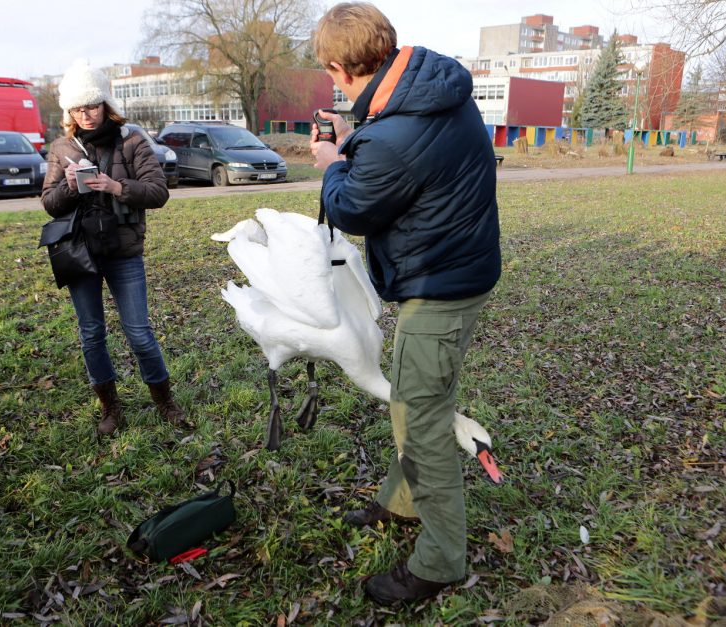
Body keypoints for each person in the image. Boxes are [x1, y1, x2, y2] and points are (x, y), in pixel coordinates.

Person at [309, 3, 502, 606]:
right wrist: (355, 146)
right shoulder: (432, 89)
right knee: (412, 399)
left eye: (330, 72)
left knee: (423, 424)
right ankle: (401, 502)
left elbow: (353, 209)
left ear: (340, 68)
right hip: (456, 272)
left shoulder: (395, 133)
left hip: (439, 289)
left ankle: (440, 561)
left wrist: (332, 163)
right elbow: (399, 164)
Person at [41, 60, 185, 436]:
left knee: (139, 332)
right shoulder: (61, 148)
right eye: (77, 108)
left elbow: (158, 192)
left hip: (123, 252)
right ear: (68, 112)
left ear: (106, 103)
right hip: (80, 252)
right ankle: (111, 408)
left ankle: (164, 401)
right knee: (91, 333)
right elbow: (49, 203)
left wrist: (118, 187)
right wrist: (71, 186)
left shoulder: (133, 140)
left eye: (92, 105)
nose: (86, 115)